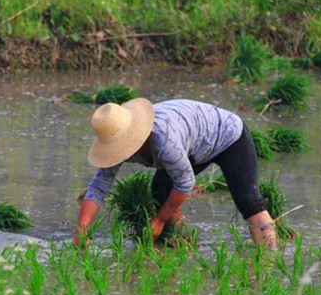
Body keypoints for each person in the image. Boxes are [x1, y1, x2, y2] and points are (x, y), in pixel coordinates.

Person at [74, 98, 278, 248]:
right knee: (161, 190)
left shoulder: (163, 141)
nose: (120, 152)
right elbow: (99, 186)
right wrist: (81, 230)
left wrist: (158, 221)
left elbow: (185, 182)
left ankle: (270, 261)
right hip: (193, 142)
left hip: (228, 136)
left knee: (249, 202)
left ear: (135, 139)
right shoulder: (116, 141)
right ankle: (180, 241)